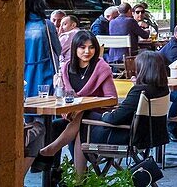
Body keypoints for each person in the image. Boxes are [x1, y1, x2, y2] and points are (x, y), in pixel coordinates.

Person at [39, 31, 118, 174]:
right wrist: (58, 88)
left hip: (97, 118)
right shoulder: (66, 68)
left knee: (83, 117)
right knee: (54, 126)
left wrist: (83, 107)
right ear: (75, 48)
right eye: (82, 47)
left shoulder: (101, 68)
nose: (87, 51)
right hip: (71, 116)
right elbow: (62, 97)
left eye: (91, 47)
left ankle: (55, 152)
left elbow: (112, 99)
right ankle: (55, 170)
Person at [88, 50, 170, 146]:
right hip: (154, 135)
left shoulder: (139, 91)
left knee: (84, 118)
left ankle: (79, 160)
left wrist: (104, 114)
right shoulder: (163, 89)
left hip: (131, 136)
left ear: (142, 71)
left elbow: (115, 118)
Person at [25, 0, 61, 100]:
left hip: (24, 70)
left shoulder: (20, 24)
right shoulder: (46, 25)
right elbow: (58, 49)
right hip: (44, 70)